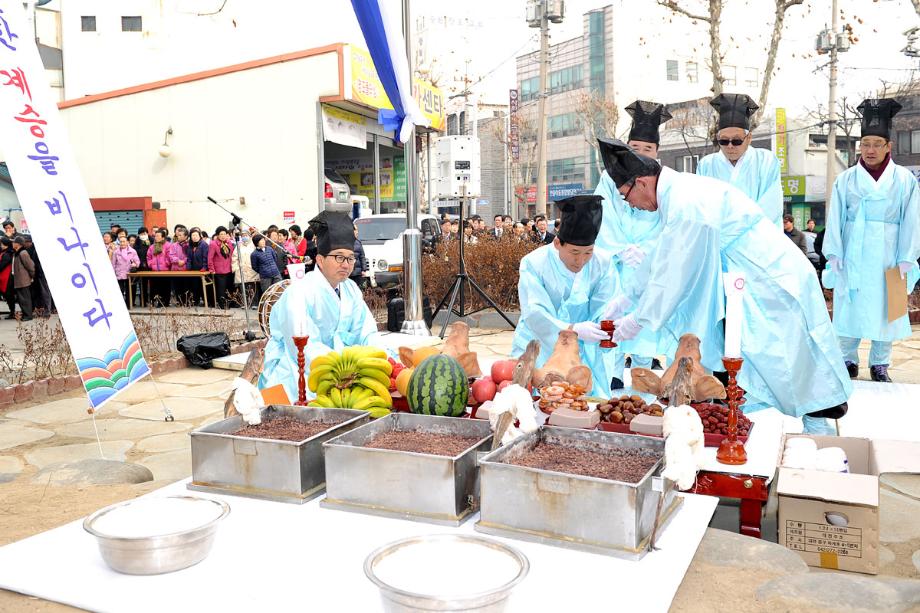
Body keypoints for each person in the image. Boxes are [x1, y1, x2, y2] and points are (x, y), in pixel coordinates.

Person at [601, 139, 851, 434]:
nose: (629, 204)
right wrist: (627, 296)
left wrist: (639, 317)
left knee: (795, 365)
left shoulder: (684, 203)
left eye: (625, 195)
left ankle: (819, 439)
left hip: (767, 280)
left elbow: (676, 271)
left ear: (641, 183)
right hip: (747, 278)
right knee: (759, 365)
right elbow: (661, 253)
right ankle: (734, 424)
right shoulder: (677, 194)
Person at [823, 98, 920, 383]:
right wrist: (834, 253)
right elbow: (836, 217)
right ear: (859, 146)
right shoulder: (847, 179)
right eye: (865, 143)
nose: (870, 150)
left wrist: (907, 257)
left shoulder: (903, 180)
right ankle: (848, 359)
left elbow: (912, 220)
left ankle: (880, 363)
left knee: (887, 307)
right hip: (854, 250)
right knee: (850, 304)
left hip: (889, 252)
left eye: (877, 144)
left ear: (888, 146)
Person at [259, 211, 385, 401]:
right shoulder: (299, 292)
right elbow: (303, 349)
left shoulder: (350, 288)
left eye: (350, 258)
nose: (346, 264)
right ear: (319, 259)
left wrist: (377, 359)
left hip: (345, 369)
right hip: (298, 368)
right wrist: (345, 369)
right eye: (339, 257)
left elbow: (366, 332)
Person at [513, 195, 621, 397]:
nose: (580, 261)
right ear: (557, 243)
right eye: (574, 252)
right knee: (537, 400)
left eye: (588, 252)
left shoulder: (603, 263)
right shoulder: (534, 263)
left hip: (584, 350)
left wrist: (603, 326)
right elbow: (535, 312)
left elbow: (607, 306)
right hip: (540, 341)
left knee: (583, 404)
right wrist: (572, 329)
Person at [595, 101, 672, 386]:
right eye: (635, 146)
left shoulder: (664, 179)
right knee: (611, 319)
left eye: (647, 149)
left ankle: (644, 378)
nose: (640, 153)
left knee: (645, 324)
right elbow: (602, 213)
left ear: (657, 152)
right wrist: (618, 249)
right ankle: (611, 378)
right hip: (616, 263)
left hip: (648, 264)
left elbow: (669, 223)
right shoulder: (608, 176)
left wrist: (649, 252)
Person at [697, 93, 783, 228]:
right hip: (719, 241)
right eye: (724, 141)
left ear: (749, 138)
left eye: (736, 140)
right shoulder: (706, 165)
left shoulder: (766, 161)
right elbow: (702, 207)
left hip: (758, 240)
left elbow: (771, 208)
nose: (730, 146)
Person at [208, 226, 235, 309]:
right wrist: (211, 269)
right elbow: (210, 258)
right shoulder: (213, 244)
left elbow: (231, 255)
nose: (223, 236)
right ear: (217, 235)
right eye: (221, 234)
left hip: (229, 269)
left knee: (229, 287)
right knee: (221, 289)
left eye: (224, 234)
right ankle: (222, 305)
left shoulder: (229, 243)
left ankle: (229, 303)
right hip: (219, 270)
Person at [111, 233, 140, 306]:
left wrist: (135, 265)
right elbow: (113, 264)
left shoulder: (132, 251)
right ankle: (120, 305)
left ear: (127, 242)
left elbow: (137, 262)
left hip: (129, 274)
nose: (122, 243)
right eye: (121, 241)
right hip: (119, 274)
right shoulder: (116, 252)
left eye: (124, 241)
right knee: (120, 290)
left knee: (129, 291)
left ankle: (129, 305)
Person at [232, 231, 259, 308]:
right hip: (242, 269)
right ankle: (245, 303)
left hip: (252, 269)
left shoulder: (254, 245)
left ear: (249, 236)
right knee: (243, 287)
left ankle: (254, 303)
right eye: (243, 235)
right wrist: (236, 268)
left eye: (246, 235)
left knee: (253, 287)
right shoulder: (239, 246)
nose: (245, 237)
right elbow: (234, 258)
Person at [11, 236, 34, 321]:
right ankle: (25, 314)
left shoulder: (23, 253)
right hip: (19, 280)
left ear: (18, 244)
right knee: (21, 299)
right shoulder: (17, 252)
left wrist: (32, 276)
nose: (12, 244)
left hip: (23, 280)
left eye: (14, 242)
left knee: (25, 298)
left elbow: (30, 266)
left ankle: (28, 315)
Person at [146, 229, 172, 307]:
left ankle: (165, 303)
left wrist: (167, 264)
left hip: (165, 271)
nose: (155, 237)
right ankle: (157, 303)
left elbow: (169, 256)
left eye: (158, 236)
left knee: (165, 287)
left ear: (163, 237)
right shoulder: (152, 247)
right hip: (154, 271)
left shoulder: (168, 245)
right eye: (155, 236)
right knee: (155, 287)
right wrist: (151, 264)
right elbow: (148, 257)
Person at [186, 228, 210, 306]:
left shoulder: (204, 244)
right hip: (193, 270)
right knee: (194, 286)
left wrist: (204, 267)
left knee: (202, 286)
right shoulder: (190, 245)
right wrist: (188, 266)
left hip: (202, 270)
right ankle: (195, 301)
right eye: (193, 235)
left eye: (196, 235)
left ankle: (205, 301)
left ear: (200, 236)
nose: (194, 237)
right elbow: (189, 258)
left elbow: (205, 257)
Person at [0, 238, 14, 318]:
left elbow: (2, 265)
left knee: (9, 296)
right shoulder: (4, 252)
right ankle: (12, 312)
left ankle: (12, 312)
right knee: (8, 296)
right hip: (3, 277)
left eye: (2, 244)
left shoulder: (7, 254)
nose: (1, 246)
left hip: (7, 278)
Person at [350, 223, 367, 288]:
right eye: (356, 230)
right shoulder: (345, 242)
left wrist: (364, 270)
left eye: (357, 230)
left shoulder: (358, 243)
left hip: (357, 273)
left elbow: (362, 257)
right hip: (349, 272)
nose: (357, 232)